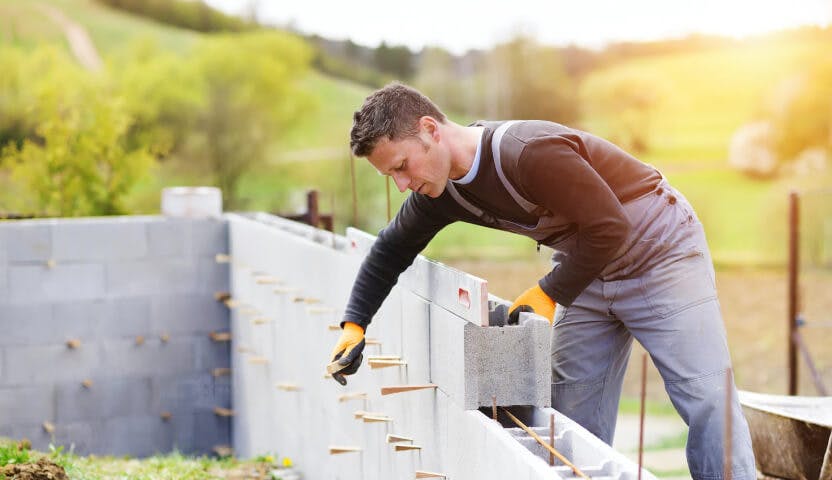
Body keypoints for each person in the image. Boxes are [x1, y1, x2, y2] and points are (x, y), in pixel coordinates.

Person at [328, 82, 755, 479]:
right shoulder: (438, 193)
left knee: (707, 398)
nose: (402, 185)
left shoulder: (527, 152)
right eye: (392, 177)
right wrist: (355, 324)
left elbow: (611, 225)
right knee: (569, 420)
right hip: (586, 266)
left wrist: (549, 292)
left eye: (402, 166)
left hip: (658, 251)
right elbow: (389, 251)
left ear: (430, 130)